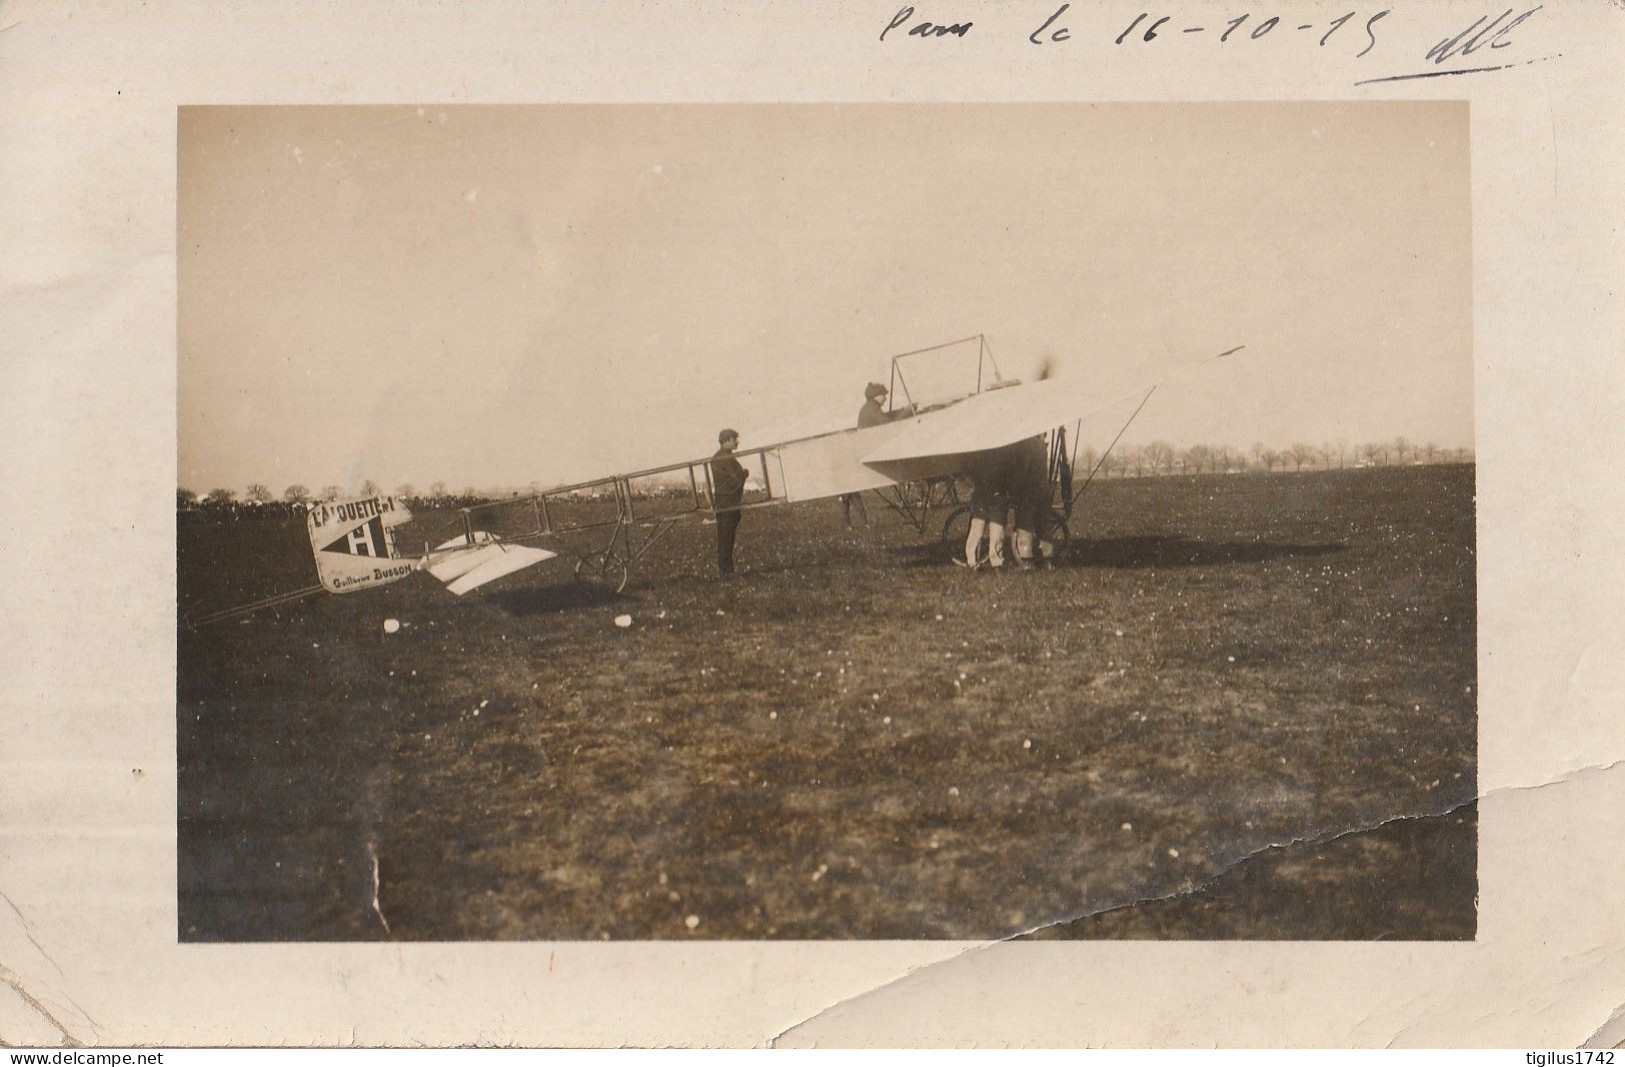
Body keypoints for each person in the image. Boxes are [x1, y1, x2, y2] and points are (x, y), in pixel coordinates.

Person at [841, 383, 912, 529]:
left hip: (863, 449)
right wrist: (908, 412)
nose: (885, 398)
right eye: (883, 395)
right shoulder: (873, 409)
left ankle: (852, 523)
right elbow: (889, 425)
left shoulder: (869, 408)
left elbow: (885, 418)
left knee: (849, 495)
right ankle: (855, 523)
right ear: (876, 396)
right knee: (849, 495)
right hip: (870, 450)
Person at [956, 447, 1008, 570]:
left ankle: (976, 560)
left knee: (986, 528)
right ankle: (989, 561)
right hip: (991, 493)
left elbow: (967, 470)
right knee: (991, 528)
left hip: (987, 493)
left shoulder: (978, 450)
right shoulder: (999, 451)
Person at [1010, 434, 1056, 569]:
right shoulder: (1042, 445)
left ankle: (1027, 560)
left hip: (1028, 489)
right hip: (1043, 489)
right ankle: (1048, 559)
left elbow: (1022, 471)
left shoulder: (1025, 445)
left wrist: (1014, 487)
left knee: (1025, 525)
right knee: (1043, 524)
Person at [709, 428, 749, 576]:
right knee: (726, 537)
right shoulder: (723, 458)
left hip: (726, 501)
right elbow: (737, 479)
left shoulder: (724, 457)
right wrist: (744, 473)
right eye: (734, 439)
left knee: (726, 536)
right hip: (727, 502)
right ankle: (726, 571)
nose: (736, 441)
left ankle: (726, 570)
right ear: (725, 441)